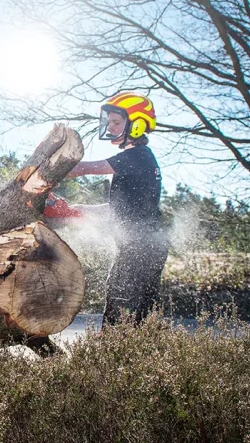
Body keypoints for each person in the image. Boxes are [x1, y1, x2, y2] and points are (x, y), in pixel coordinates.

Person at [63, 92, 168, 326]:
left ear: (137, 124)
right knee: (135, 314)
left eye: (116, 122)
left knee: (120, 310)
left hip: (140, 247)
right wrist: (74, 210)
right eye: (109, 121)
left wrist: (54, 169)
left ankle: (116, 347)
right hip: (145, 246)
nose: (110, 127)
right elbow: (118, 209)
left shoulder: (137, 156)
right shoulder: (138, 159)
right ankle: (131, 346)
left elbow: (85, 168)